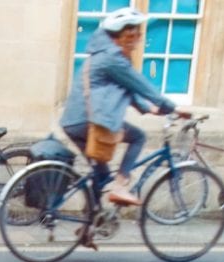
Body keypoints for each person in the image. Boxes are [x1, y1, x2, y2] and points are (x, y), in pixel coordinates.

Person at [60, 7, 186, 206]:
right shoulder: (113, 58)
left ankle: (89, 226)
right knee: (138, 137)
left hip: (73, 122)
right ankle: (120, 186)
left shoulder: (101, 54)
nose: (139, 37)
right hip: (90, 121)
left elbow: (124, 88)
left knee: (100, 173)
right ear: (124, 35)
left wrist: (147, 109)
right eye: (136, 32)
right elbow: (141, 85)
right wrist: (172, 107)